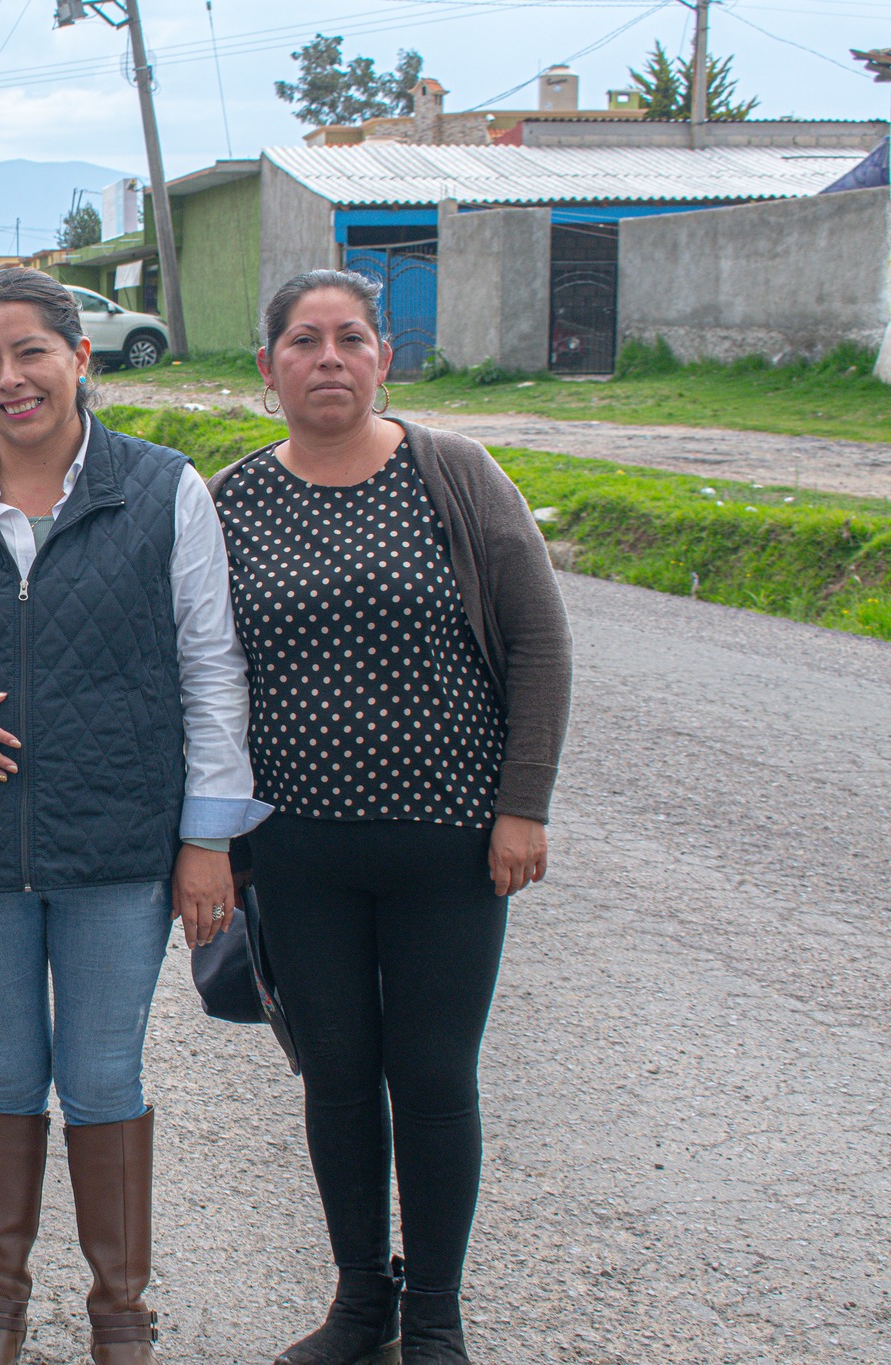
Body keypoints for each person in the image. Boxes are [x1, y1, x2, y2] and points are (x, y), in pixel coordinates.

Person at [0, 267, 270, 1365]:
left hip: (116, 847)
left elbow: (211, 670)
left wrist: (207, 841)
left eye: (28, 352)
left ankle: (118, 1313)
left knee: (102, 1079)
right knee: (1, 1075)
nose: (6, 379)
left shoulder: (161, 488)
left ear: (78, 357)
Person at [210, 270, 572, 1365]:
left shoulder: (451, 475)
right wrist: (214, 841)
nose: (327, 358)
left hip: (448, 845)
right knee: (333, 1073)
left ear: (382, 359)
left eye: (350, 339)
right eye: (303, 341)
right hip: (295, 851)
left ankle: (434, 1318)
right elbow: (200, 674)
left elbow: (538, 642)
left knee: (429, 1075)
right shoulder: (229, 500)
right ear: (266, 366)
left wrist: (521, 807)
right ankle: (359, 1302)